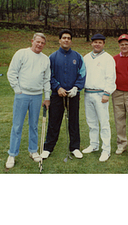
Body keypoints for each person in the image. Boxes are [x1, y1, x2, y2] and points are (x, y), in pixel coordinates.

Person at [5, 33, 51, 169]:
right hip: (22, 95)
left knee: (34, 125)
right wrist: (17, 90)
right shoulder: (21, 53)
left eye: (42, 43)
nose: (40, 45)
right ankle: (12, 154)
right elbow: (12, 72)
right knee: (17, 126)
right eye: (37, 42)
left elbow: (46, 79)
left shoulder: (45, 59)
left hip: (37, 96)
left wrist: (47, 97)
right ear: (32, 41)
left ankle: (33, 151)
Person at [41, 29, 86, 159]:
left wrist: (76, 88)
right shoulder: (52, 57)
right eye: (64, 38)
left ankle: (75, 147)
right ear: (59, 40)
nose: (66, 40)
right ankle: (48, 148)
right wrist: (58, 87)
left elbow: (82, 74)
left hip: (73, 95)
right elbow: (49, 76)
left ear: (71, 41)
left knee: (74, 121)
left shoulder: (78, 57)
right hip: (57, 95)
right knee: (54, 122)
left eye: (69, 38)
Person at [83, 33, 116, 162]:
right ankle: (94, 144)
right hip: (88, 93)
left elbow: (111, 77)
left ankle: (106, 150)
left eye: (100, 42)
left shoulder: (108, 58)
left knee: (104, 122)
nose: (97, 44)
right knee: (91, 122)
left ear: (103, 44)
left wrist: (107, 93)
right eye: (95, 42)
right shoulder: (86, 57)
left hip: (101, 94)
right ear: (92, 43)